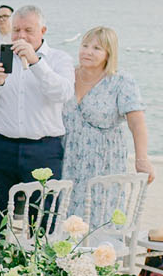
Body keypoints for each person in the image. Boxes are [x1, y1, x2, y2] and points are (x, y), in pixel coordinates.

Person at [0, 5, 75, 223]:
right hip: (0, 146)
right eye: (17, 30)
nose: (21, 36)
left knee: (43, 218)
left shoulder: (58, 59)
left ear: (43, 31)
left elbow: (63, 94)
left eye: (28, 30)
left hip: (43, 149)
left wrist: (36, 63)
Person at [64, 26, 154, 223]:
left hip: (103, 163)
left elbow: (137, 124)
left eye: (96, 48)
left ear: (108, 54)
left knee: (100, 219)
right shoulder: (66, 75)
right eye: (85, 45)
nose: (87, 52)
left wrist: (142, 159)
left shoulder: (121, 81)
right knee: (64, 220)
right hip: (67, 160)